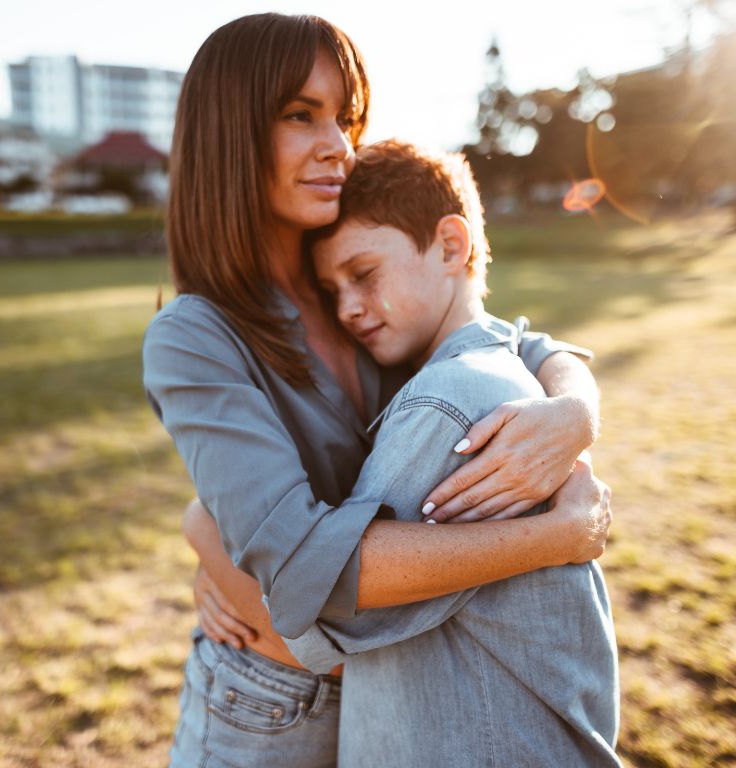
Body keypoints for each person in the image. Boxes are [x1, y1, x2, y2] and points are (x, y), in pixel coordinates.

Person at [142, 13, 611, 768]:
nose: (339, 145)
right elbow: (297, 565)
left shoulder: (351, 291)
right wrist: (555, 538)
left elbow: (512, 340)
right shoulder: (195, 335)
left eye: (345, 117)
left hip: (395, 698)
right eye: (302, 115)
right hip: (266, 708)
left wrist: (574, 409)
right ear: (229, 132)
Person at [276, 139, 619, 765]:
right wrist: (578, 401)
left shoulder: (449, 403)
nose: (347, 307)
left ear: (450, 247)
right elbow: (526, 338)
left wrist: (206, 538)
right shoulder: (498, 367)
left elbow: (327, 610)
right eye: (331, 291)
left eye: (363, 274)